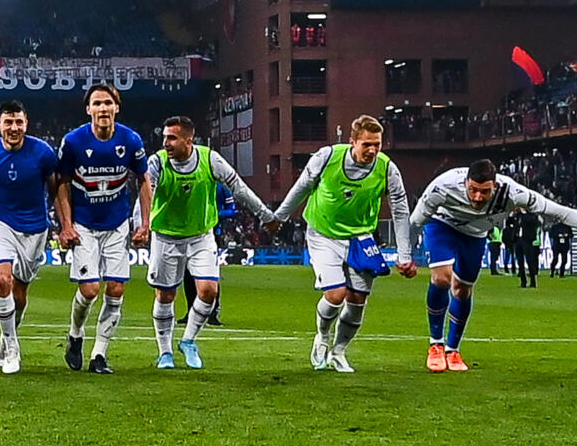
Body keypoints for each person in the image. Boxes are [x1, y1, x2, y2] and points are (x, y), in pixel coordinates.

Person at [407, 157, 577, 370]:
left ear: (495, 186)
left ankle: (453, 350)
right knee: (442, 277)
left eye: (485, 192)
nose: (478, 197)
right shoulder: (442, 187)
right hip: (442, 225)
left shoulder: (513, 193)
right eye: (473, 189)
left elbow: (558, 211)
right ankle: (436, 344)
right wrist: (406, 254)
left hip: (475, 235)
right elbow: (415, 222)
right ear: (466, 182)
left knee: (463, 290)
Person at [130, 114, 276, 370]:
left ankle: (188, 340)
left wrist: (265, 215)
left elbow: (239, 188)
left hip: (200, 236)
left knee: (209, 290)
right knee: (166, 295)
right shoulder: (157, 162)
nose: (166, 143)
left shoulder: (210, 159)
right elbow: (145, 194)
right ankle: (164, 352)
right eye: (164, 137)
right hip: (166, 237)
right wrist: (141, 226)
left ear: (189, 141)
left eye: (172, 138)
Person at [276, 115, 415, 374]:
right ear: (352, 142)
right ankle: (322, 336)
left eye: (377, 144)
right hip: (323, 234)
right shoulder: (327, 157)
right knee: (336, 294)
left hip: (361, 239)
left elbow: (400, 210)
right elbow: (302, 187)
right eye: (367, 144)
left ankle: (339, 352)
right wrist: (280, 217)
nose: (372, 150)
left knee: (358, 301)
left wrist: (404, 255)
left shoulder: (387, 169)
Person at [53, 83, 150, 374]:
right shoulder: (73, 142)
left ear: (116, 108)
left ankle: (99, 354)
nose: (103, 108)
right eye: (97, 103)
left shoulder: (131, 140)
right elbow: (62, 184)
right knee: (90, 289)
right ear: (88, 109)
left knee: (116, 289)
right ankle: (76, 334)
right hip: (84, 224)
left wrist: (146, 224)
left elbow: (144, 181)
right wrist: (66, 225)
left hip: (118, 223)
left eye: (108, 103)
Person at [0, 99, 61, 374]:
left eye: (19, 122)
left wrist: (64, 224)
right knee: (1, 279)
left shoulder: (43, 153)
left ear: (26, 123)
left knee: (19, 297)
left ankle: (4, 339)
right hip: (1, 222)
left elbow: (57, 192)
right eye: (8, 122)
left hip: (35, 227)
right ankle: (12, 348)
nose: (14, 127)